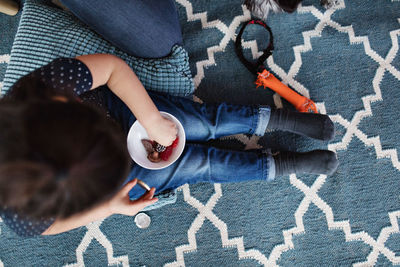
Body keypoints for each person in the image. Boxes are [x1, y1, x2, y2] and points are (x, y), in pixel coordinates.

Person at [0, 54, 338, 237]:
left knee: (205, 121)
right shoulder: (21, 210)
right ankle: (278, 164)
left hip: (122, 112)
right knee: (202, 166)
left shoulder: (44, 88)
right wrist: (111, 207)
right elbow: (46, 228)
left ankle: (276, 120)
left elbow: (113, 70)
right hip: (119, 180)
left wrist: (151, 121)